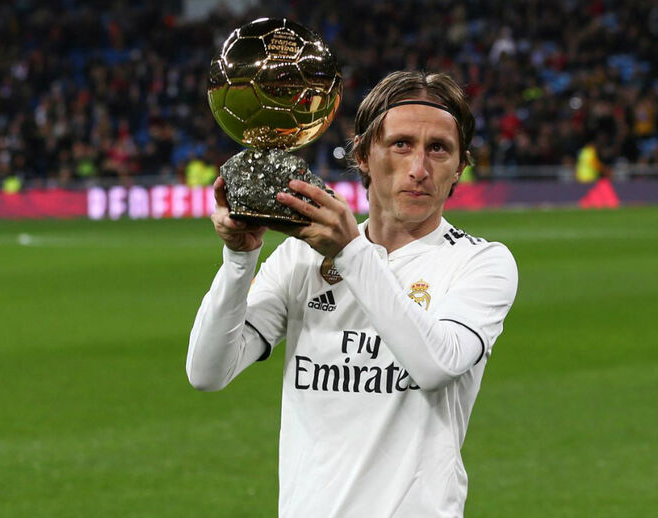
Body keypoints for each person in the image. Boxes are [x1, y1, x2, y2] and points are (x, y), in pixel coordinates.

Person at [186, 71, 519, 518]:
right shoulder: (300, 259)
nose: (419, 169)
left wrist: (350, 252)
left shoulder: (480, 262)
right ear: (362, 154)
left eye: (438, 149)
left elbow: (436, 365)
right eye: (401, 144)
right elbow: (207, 372)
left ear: (460, 166)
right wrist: (238, 259)